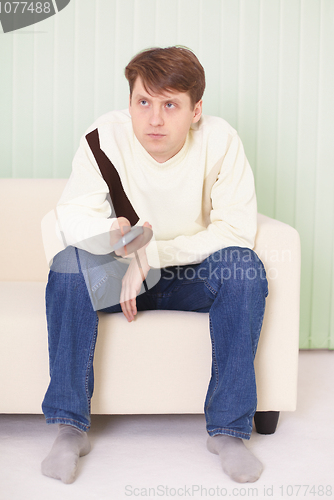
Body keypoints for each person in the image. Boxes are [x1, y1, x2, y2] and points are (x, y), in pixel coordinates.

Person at [41, 46, 268, 485]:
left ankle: (228, 432)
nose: (155, 119)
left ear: (195, 110)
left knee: (244, 268)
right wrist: (116, 236)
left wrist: (152, 257)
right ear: (130, 104)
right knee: (68, 265)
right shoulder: (102, 137)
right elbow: (70, 215)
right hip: (119, 273)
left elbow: (236, 231)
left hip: (190, 276)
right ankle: (69, 428)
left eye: (170, 105)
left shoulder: (221, 141)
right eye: (144, 102)